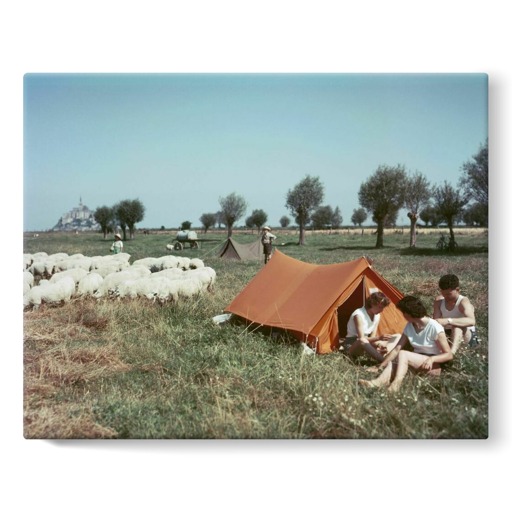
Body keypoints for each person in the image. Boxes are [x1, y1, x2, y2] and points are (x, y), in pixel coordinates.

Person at [359, 295, 453, 393]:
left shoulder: (434, 327)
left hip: (432, 364)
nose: (403, 316)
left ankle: (396, 384)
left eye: (403, 313)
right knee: (393, 362)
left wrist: (432, 359)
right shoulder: (410, 326)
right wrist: (380, 366)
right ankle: (376, 383)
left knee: (403, 353)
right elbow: (396, 349)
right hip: (417, 361)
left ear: (409, 313)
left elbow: (449, 355)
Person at [343, 291, 401, 362]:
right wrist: (379, 338)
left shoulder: (377, 315)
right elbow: (361, 338)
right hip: (353, 344)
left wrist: (378, 345)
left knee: (397, 336)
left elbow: (373, 337)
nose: (381, 310)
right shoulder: (358, 315)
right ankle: (384, 361)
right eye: (380, 307)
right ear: (372, 303)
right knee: (362, 340)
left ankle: (384, 352)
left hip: (367, 343)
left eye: (383, 308)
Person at [433, 274, 478, 354]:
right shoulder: (439, 301)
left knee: (457, 327)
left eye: (448, 294)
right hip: (448, 333)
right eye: (443, 293)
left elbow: (471, 321)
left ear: (457, 290)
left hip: (466, 335)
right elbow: (436, 322)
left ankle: (452, 355)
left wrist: (448, 321)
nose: (445, 296)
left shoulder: (463, 301)